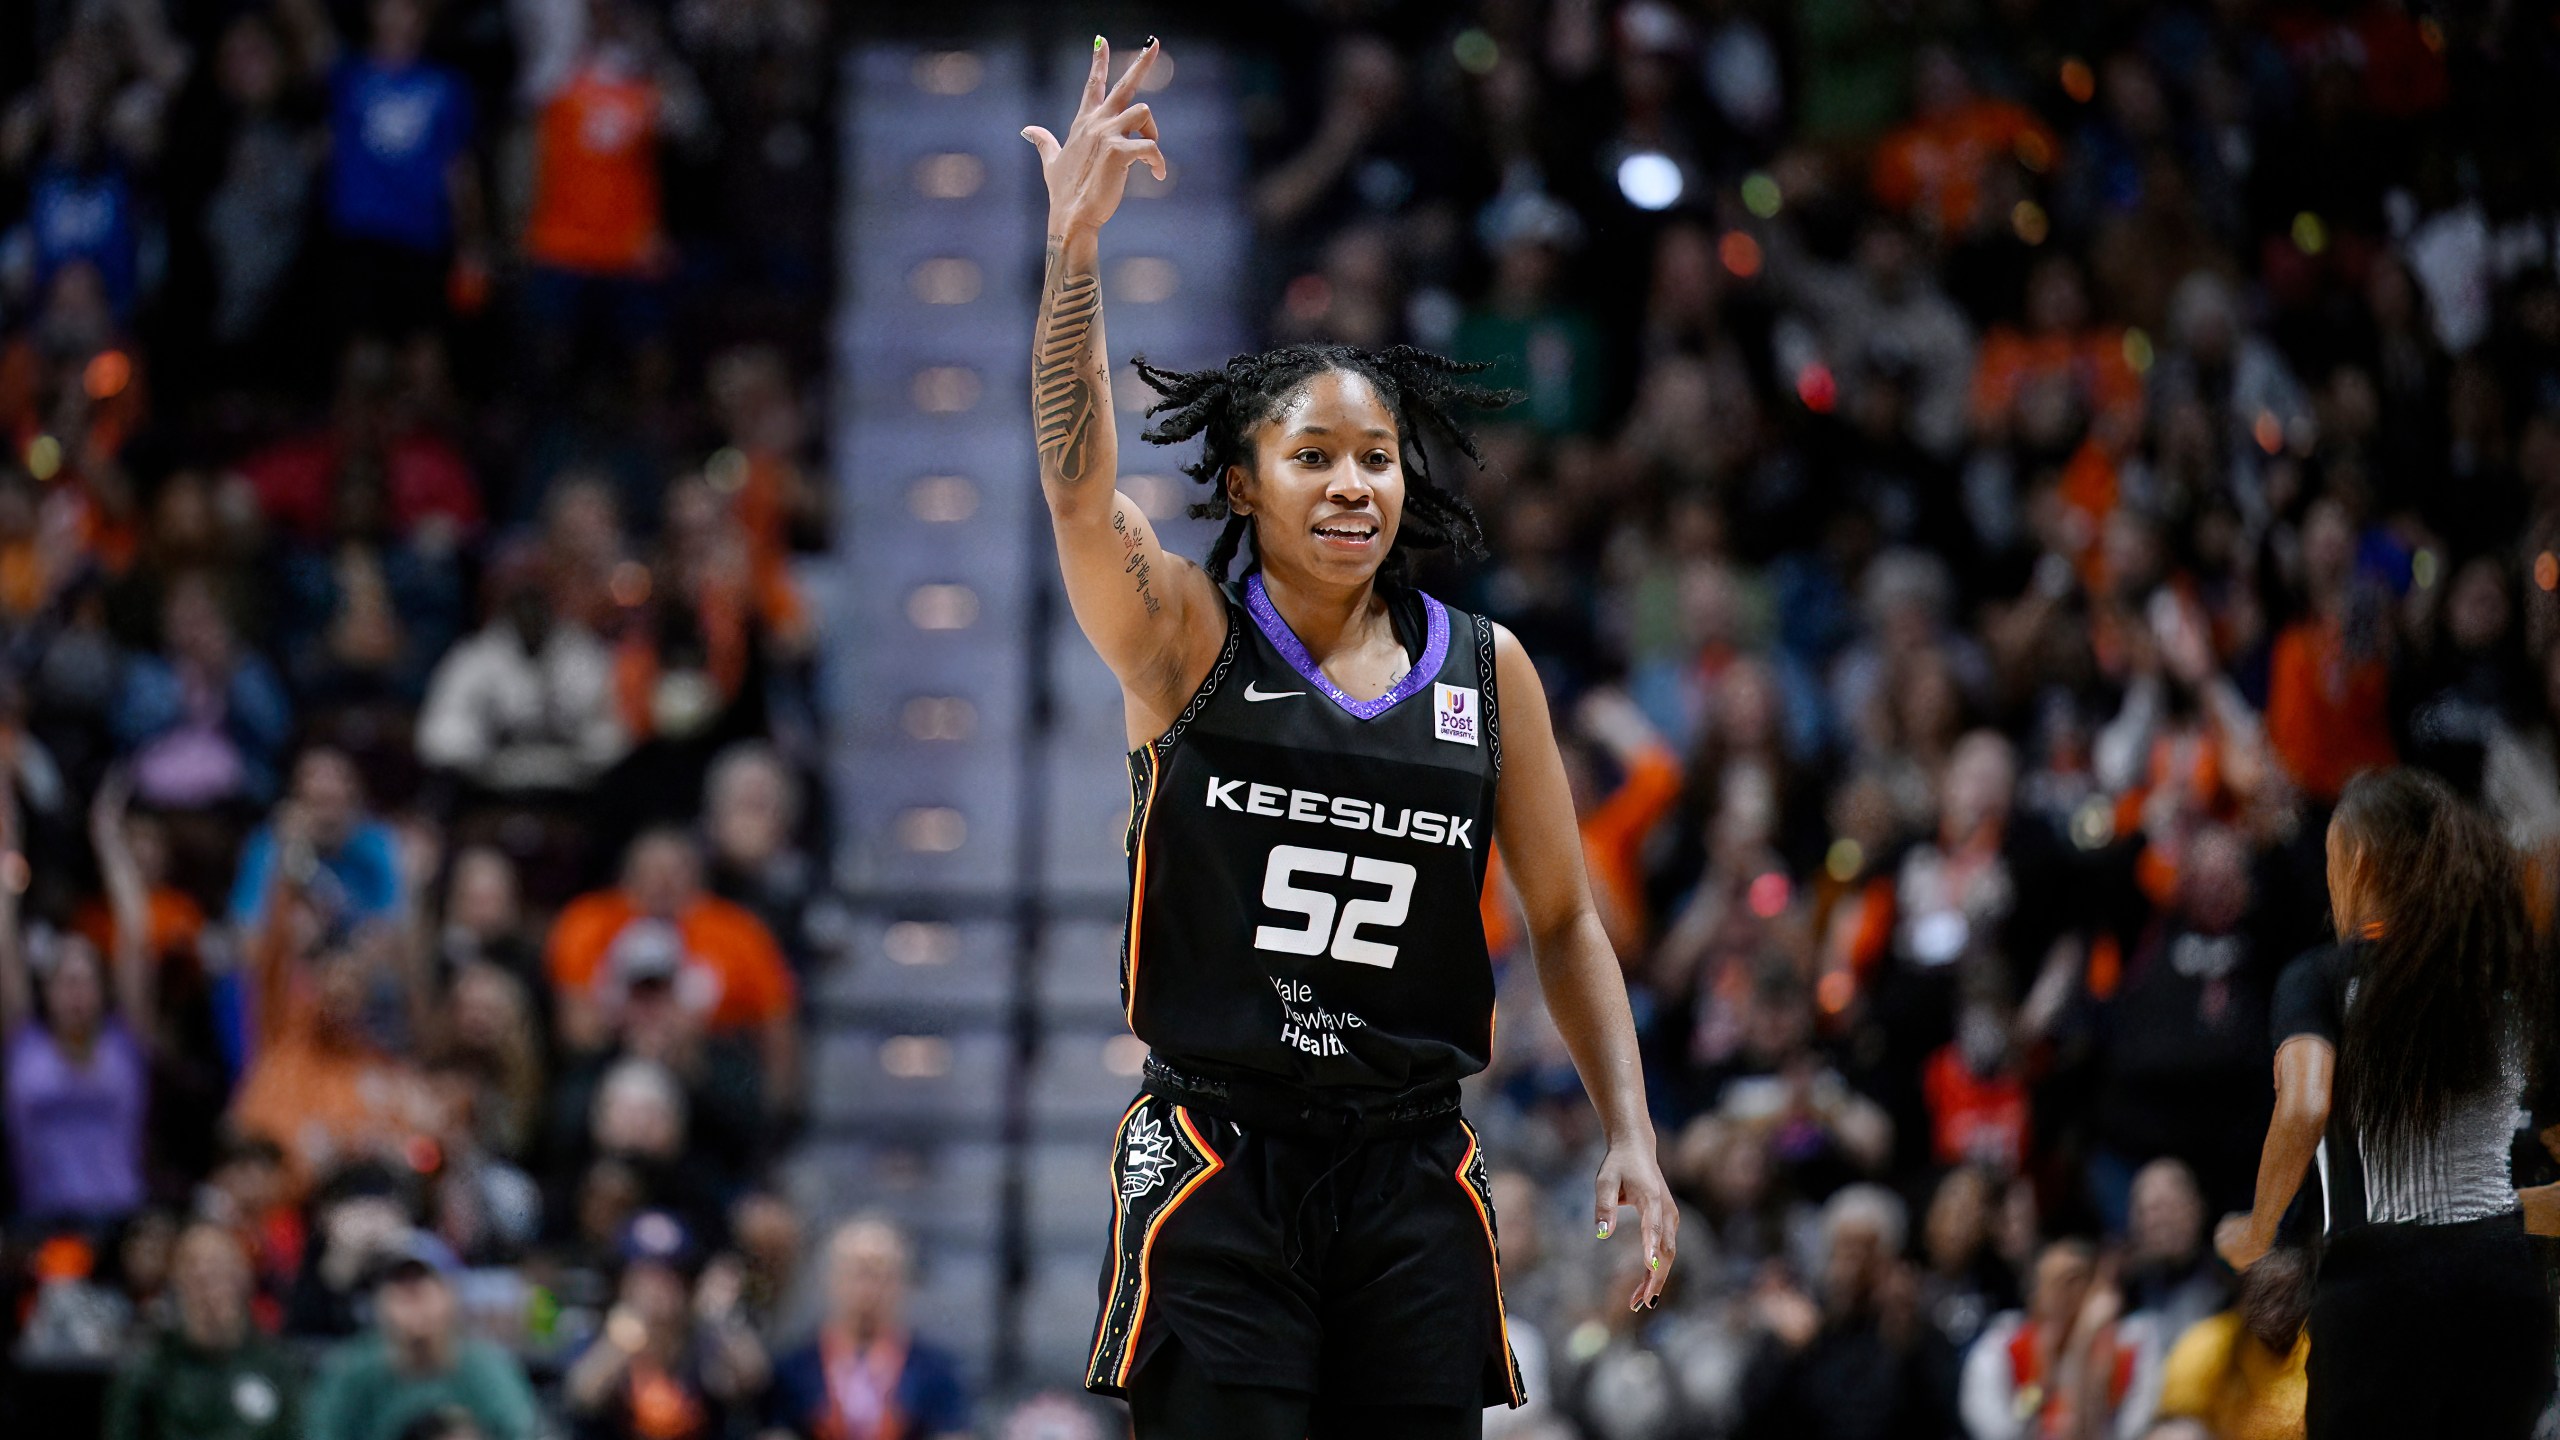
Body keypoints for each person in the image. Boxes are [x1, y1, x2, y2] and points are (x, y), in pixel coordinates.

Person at [1019, 38, 1676, 1439]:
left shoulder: (1487, 671)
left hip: (1410, 1165)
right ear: (1246, 485)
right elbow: (1080, 497)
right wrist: (1073, 253)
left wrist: (1633, 1128)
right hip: (1217, 1153)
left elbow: (1562, 919)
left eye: (1374, 455)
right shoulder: (1186, 638)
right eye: (1311, 458)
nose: (1351, 483)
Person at [2215, 768, 2558, 1437]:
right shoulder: (2512, 982)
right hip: (2506, 1299)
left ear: (2360, 861)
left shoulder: (2319, 977)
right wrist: (2497, 1219)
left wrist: (2258, 1235)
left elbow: (2305, 1106)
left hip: (2377, 1301)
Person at [1, 786, 153, 1224]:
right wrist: (9, 847)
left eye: (85, 981)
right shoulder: (22, 1044)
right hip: (41, 1225)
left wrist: (110, 845)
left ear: (104, 991)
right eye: (64, 982)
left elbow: (136, 940)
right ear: (45, 993)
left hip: (124, 1221)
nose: (75, 993)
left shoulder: (127, 1043)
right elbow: (3, 943)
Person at [303, 1232, 540, 1440]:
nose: (411, 1295)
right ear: (378, 1302)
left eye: (421, 1281)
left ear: (449, 1294)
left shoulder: (485, 1367)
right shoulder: (351, 1370)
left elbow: (522, 1432)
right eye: (397, 1283)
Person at [767, 1216, 972, 1440]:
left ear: (902, 1282)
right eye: (858, 1272)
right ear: (831, 1280)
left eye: (882, 1274)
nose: (869, 1288)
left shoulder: (936, 1372)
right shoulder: (793, 1370)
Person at [104, 1222, 302, 1440]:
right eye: (195, 1271)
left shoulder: (277, 1368)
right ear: (176, 1280)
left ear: (244, 1278)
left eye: (219, 1270)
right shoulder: (148, 1373)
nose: (209, 1286)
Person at [2153, 1246, 2311, 1440]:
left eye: (2287, 1300)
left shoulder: (2320, 1349)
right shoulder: (2206, 1345)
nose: (2276, 1314)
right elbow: (2171, 1427)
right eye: (2266, 1298)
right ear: (2243, 1298)